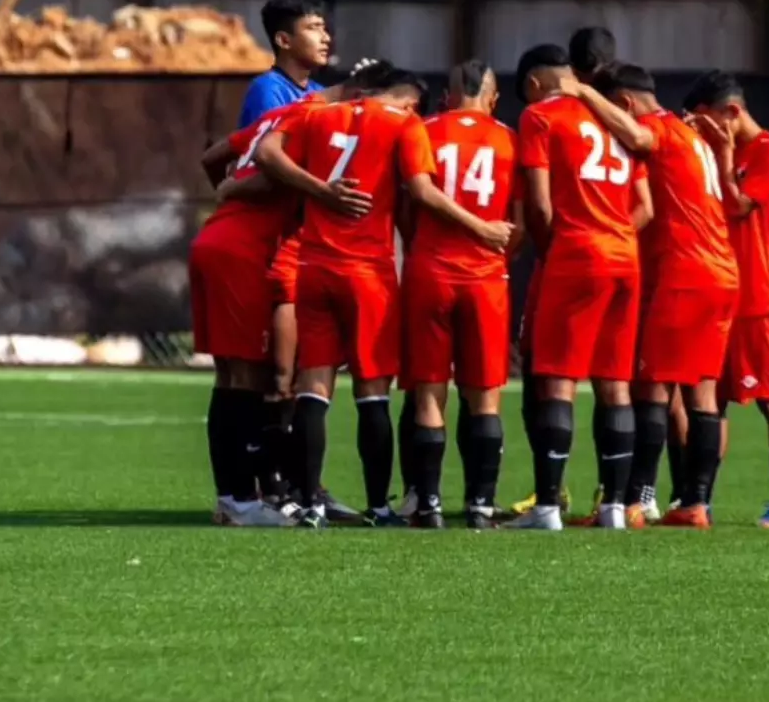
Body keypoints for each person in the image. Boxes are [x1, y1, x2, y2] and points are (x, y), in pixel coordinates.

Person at [255, 70, 513, 528]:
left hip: (314, 265)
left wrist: (320, 190)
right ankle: (378, 505)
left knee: (313, 386)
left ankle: (310, 503)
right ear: (409, 102)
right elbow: (421, 191)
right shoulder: (405, 123)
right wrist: (482, 229)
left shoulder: (317, 113)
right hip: (368, 272)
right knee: (372, 393)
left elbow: (266, 151)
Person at [188, 77, 372, 529]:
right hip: (246, 251)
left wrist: (229, 192)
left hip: (218, 238)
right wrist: (322, 192)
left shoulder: (280, 114)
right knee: (251, 377)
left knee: (233, 376)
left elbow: (214, 157)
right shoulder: (316, 118)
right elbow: (270, 167)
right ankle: (244, 499)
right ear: (359, 97)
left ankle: (239, 497)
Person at [505, 44, 654, 531]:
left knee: (557, 378)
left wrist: (556, 248)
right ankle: (614, 507)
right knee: (614, 384)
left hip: (576, 253)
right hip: (625, 256)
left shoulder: (540, 117)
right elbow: (645, 205)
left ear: (535, 84)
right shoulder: (614, 121)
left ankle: (548, 507)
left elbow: (540, 205)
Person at [587, 63, 739, 530]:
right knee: (702, 392)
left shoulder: (659, 130)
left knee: (652, 386)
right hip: (721, 271)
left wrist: (580, 93)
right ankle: (696, 503)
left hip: (685, 272)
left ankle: (637, 500)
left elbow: (638, 137)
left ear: (625, 103)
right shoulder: (692, 136)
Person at [399, 60, 523, 529]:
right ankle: (480, 506)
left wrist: (419, 246)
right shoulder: (511, 139)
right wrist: (498, 253)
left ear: (449, 96)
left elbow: (409, 204)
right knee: (485, 397)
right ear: (494, 99)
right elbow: (522, 219)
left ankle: (428, 506)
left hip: (430, 271)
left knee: (430, 393)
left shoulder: (422, 129)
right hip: (487, 278)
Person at [683, 70, 769, 528]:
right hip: (720, 290)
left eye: (709, 121)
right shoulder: (713, 153)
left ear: (732, 112)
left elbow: (738, 206)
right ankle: (701, 500)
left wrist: (725, 151)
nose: (707, 131)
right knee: (716, 399)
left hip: (760, 297)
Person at [236, 0, 329, 129]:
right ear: (284, 40)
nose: (326, 38)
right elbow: (266, 142)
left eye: (323, 29)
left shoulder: (320, 91)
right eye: (313, 28)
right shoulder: (268, 91)